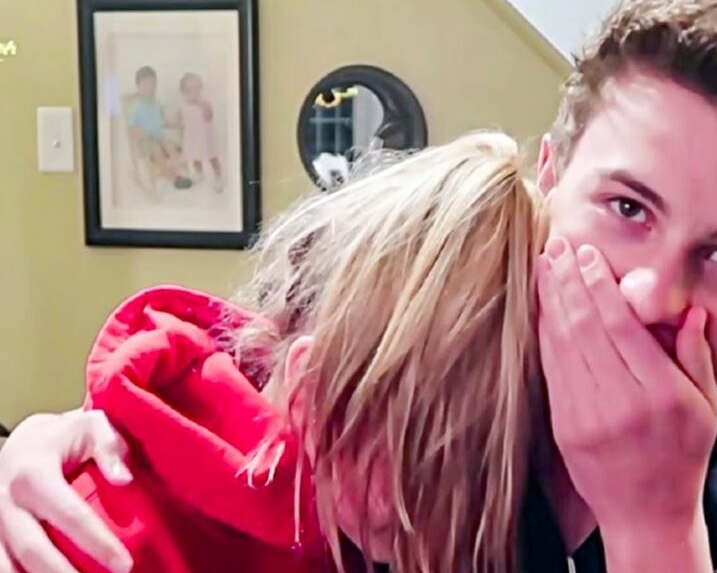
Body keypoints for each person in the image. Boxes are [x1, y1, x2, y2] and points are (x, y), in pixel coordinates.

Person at [0, 0, 717, 572]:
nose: (648, 296)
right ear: (549, 180)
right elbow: (202, 415)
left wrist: (656, 532)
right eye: (627, 208)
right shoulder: (404, 361)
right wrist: (57, 454)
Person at [0, 132, 546, 573]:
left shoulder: (362, 521)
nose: (439, 519)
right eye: (421, 464)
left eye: (479, 471)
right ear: (311, 394)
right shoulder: (89, 536)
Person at [177, 73, 223, 191]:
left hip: (206, 138)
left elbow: (209, 116)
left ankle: (218, 177)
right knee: (195, 157)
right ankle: (199, 174)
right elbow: (181, 124)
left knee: (212, 157)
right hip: (193, 137)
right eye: (189, 90)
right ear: (183, 92)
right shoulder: (182, 107)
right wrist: (181, 138)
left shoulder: (204, 104)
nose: (194, 92)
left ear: (201, 89)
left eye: (197, 88)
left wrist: (204, 107)